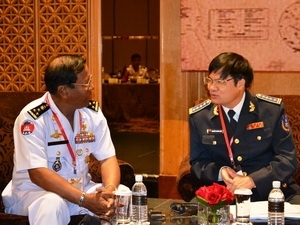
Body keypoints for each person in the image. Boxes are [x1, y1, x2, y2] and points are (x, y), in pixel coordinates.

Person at [1, 55, 121, 225]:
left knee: (123, 197)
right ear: (64, 91)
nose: (91, 87)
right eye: (86, 83)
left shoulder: (92, 113)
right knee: (52, 204)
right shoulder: (32, 118)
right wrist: (85, 200)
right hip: (36, 194)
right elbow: (38, 174)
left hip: (81, 191)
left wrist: (110, 191)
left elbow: (108, 157)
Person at [189, 52, 300, 203]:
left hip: (271, 192)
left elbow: (287, 159)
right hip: (223, 194)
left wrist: (253, 180)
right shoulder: (200, 116)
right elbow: (197, 162)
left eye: (220, 82)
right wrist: (220, 172)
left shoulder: (271, 111)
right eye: (210, 80)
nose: (211, 87)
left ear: (240, 83)